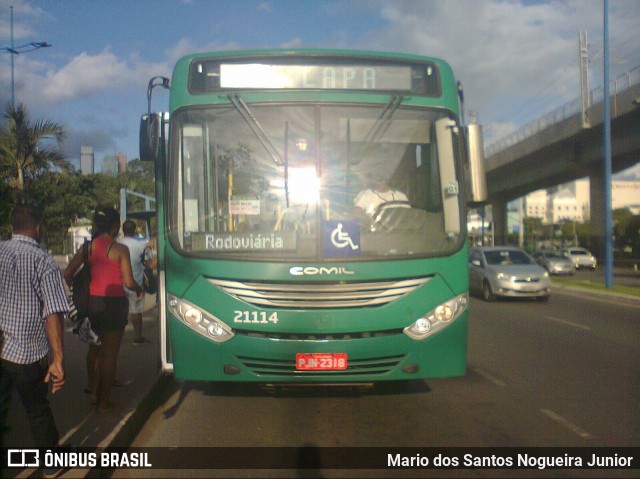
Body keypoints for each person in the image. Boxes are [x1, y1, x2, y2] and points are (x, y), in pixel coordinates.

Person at [0, 205, 67, 473]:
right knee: (37, 410)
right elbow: (52, 311)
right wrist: (58, 359)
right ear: (38, 228)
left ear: (12, 227)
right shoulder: (44, 261)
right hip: (28, 355)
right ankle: (50, 466)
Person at [64, 207, 142, 413]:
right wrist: (139, 289)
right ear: (116, 226)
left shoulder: (87, 248)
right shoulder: (120, 250)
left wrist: (78, 291)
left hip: (92, 304)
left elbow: (68, 273)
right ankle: (104, 403)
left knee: (94, 348)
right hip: (114, 305)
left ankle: (92, 390)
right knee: (110, 354)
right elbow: (128, 281)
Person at [118, 220, 150, 345]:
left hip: (119, 282)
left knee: (120, 310)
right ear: (135, 230)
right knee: (136, 311)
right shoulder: (141, 246)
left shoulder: (116, 244)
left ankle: (117, 336)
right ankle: (138, 337)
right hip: (136, 281)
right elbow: (147, 261)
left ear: (123, 230)